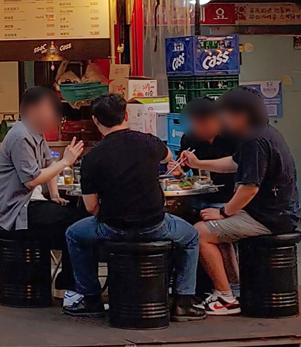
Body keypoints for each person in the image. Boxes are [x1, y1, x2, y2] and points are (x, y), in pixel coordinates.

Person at [64, 94, 204, 322]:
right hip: (155, 224)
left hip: (113, 227)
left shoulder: (92, 158)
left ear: (96, 121)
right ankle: (183, 301)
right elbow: (168, 156)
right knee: (191, 237)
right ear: (126, 115)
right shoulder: (149, 142)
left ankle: (91, 299)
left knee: (73, 235)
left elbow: (90, 207)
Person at [187, 87, 300, 316]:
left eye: (225, 114)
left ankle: (225, 297)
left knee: (198, 232)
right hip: (275, 212)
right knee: (213, 228)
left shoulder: (254, 141)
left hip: (269, 217)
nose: (222, 119)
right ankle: (233, 287)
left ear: (241, 115)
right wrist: (198, 164)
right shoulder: (265, 133)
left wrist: (224, 213)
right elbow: (234, 163)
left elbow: (249, 189)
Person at [0, 87, 85, 301]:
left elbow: (48, 163)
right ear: (33, 110)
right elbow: (32, 179)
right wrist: (65, 162)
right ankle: (71, 287)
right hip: (14, 211)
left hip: (29, 204)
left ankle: (67, 283)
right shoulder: (20, 135)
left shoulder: (35, 132)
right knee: (77, 225)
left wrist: (54, 195)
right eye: (50, 108)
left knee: (75, 219)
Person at [168, 97, 238, 212]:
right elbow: (182, 167)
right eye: (194, 123)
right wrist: (178, 172)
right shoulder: (190, 138)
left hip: (227, 200)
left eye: (203, 123)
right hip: (197, 198)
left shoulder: (234, 138)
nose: (198, 128)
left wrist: (199, 164)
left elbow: (237, 164)